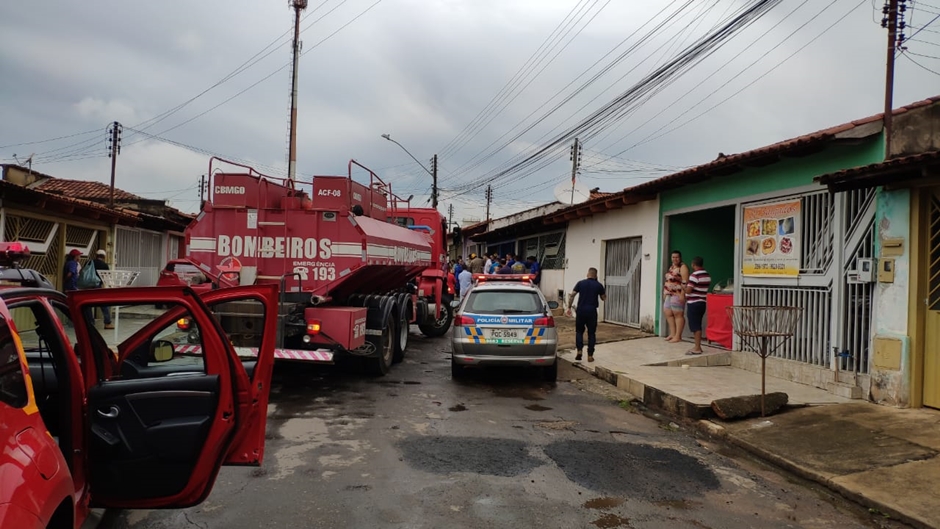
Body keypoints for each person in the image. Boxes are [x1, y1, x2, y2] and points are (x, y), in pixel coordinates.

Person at [566, 267, 606, 362]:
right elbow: (603, 298)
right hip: (592, 312)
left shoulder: (580, 283)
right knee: (591, 333)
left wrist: (569, 307)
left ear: (588, 274)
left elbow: (572, 295)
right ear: (596, 275)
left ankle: (579, 351)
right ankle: (590, 355)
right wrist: (600, 291)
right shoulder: (598, 285)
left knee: (579, 331)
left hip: (581, 311)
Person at [684, 256, 711, 355]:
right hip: (702, 302)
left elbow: (689, 290)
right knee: (698, 324)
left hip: (693, 303)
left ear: (693, 264)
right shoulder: (706, 275)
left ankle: (697, 347)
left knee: (695, 326)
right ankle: (697, 346)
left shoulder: (694, 275)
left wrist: (683, 287)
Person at [663, 250, 690, 343]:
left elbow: (684, 282)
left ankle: (678, 336)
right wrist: (665, 293)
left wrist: (683, 294)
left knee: (678, 314)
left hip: (677, 294)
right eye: (673, 257)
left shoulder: (683, 267)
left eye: (677, 257)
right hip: (669, 294)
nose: (675, 259)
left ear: (680, 258)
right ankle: (672, 333)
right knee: (668, 313)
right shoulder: (671, 267)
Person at [92, 249, 114, 329]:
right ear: (104, 257)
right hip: (98, 286)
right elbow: (107, 277)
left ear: (96, 255)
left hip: (87, 286)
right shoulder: (104, 265)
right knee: (104, 305)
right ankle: (107, 323)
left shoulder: (90, 262)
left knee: (86, 305)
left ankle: (90, 322)